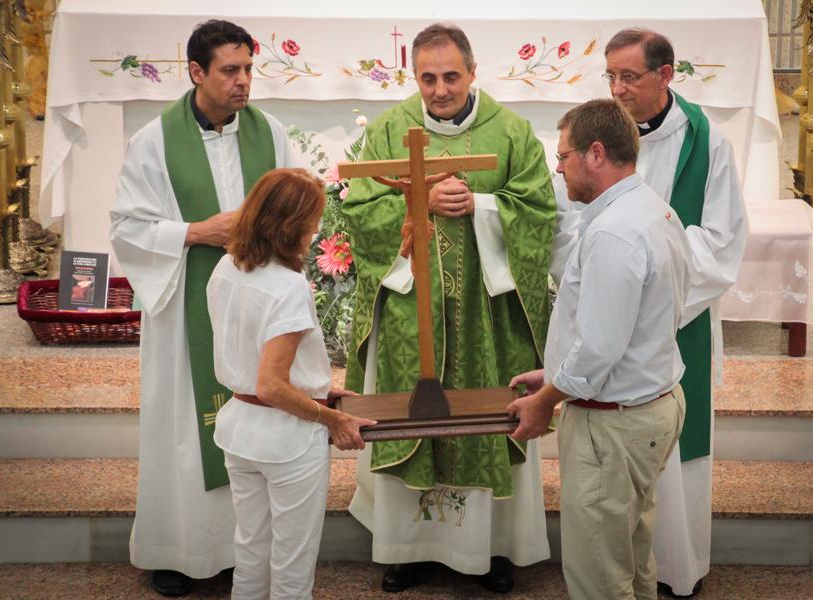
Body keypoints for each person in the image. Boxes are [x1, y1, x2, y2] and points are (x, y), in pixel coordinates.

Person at [343, 22, 556, 594]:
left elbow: (538, 213)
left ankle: (492, 548)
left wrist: (484, 206)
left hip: (487, 320)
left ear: (473, 71)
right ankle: (407, 549)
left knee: (482, 419)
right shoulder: (391, 129)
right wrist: (419, 201)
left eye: (451, 77)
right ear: (414, 76)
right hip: (414, 316)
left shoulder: (511, 132)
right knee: (412, 419)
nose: (439, 90)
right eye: (428, 78)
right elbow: (361, 210)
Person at [109, 19, 295, 597]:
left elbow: (293, 206)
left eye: (248, 70)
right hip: (184, 303)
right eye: (229, 71)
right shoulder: (155, 142)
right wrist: (194, 231)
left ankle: (249, 555)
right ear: (196, 72)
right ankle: (181, 550)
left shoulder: (272, 134)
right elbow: (127, 226)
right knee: (184, 428)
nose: (243, 83)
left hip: (253, 306)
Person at [509, 98, 693, 600]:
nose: (558, 168)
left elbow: (600, 348)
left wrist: (546, 400)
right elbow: (629, 326)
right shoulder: (651, 208)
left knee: (598, 576)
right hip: (648, 404)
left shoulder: (614, 231)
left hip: (613, 424)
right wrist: (553, 373)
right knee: (631, 556)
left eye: (563, 156)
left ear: (595, 153)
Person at [604, 28, 748, 598]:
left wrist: (655, 292)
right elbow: (575, 216)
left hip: (676, 318)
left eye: (629, 77)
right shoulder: (599, 133)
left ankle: (674, 569)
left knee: (677, 449)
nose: (617, 89)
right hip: (613, 313)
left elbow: (722, 239)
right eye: (611, 76)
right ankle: (616, 569)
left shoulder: (707, 143)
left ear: (665, 76)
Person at [206, 168, 375, 600]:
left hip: (240, 427)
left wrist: (322, 390)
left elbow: (253, 363)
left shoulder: (226, 266)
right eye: (313, 220)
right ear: (290, 226)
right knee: (291, 565)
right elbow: (272, 386)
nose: (318, 229)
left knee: (251, 550)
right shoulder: (286, 285)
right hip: (287, 439)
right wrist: (331, 417)